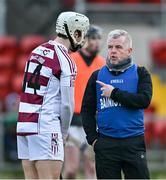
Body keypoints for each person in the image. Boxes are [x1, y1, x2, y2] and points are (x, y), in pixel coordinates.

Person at [16, 11, 89, 179]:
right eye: (81, 33)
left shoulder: (36, 51)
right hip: (46, 127)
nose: (82, 39)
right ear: (74, 33)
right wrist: (63, 133)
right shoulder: (65, 59)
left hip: (25, 125)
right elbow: (67, 105)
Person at [81, 29, 152, 179]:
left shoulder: (141, 73)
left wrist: (114, 93)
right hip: (106, 143)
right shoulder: (97, 76)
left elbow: (144, 100)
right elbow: (86, 110)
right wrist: (93, 139)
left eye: (118, 47)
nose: (113, 51)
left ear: (129, 51)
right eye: (110, 47)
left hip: (133, 142)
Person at [64, 25, 105, 179]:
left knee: (92, 168)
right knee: (71, 170)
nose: (97, 42)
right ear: (84, 39)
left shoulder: (102, 63)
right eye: (93, 38)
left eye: (98, 38)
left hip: (93, 122)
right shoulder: (71, 59)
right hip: (73, 121)